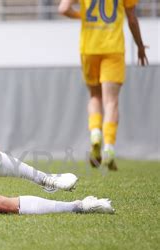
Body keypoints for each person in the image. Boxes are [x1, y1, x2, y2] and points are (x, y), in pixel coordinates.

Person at [58, 0, 148, 170]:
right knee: (111, 101)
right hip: (113, 48)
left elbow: (63, 9)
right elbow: (132, 19)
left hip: (89, 48)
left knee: (95, 97)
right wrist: (140, 46)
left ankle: (95, 134)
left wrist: (81, 16)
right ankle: (109, 148)